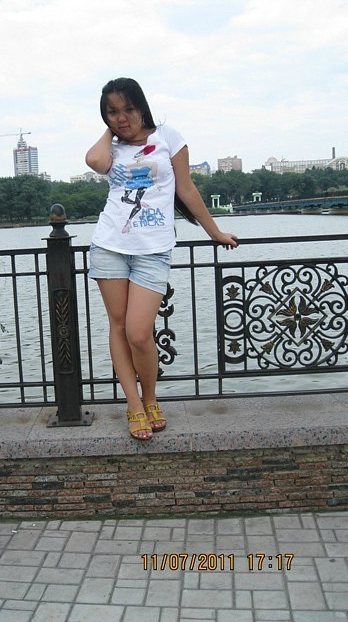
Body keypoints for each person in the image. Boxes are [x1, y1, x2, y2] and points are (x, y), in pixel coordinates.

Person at [85, 77, 238, 441]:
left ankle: (150, 397)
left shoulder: (169, 137)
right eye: (112, 112)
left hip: (153, 250)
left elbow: (186, 188)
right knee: (118, 327)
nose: (122, 117)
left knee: (139, 332)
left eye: (128, 109)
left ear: (142, 106)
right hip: (110, 245)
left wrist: (214, 232)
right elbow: (94, 161)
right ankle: (134, 405)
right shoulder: (112, 147)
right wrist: (112, 130)